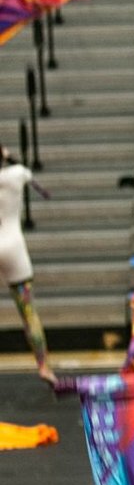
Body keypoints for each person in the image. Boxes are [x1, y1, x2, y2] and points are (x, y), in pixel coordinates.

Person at [0, 147, 51, 383]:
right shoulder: (17, 173)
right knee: (28, 312)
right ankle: (43, 366)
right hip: (13, 246)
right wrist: (7, 155)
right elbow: (37, 183)